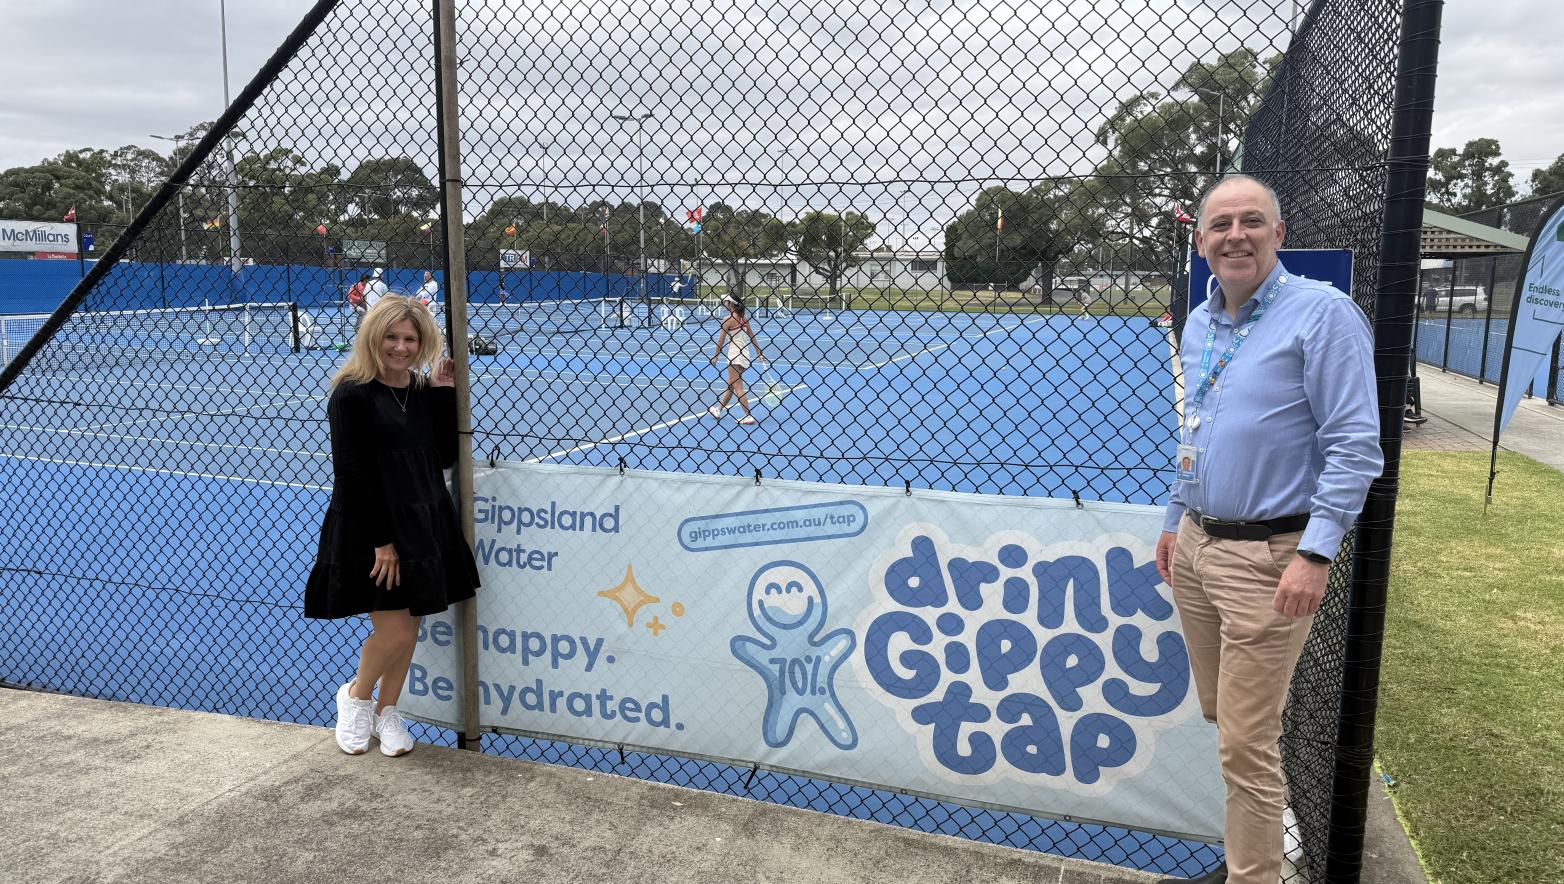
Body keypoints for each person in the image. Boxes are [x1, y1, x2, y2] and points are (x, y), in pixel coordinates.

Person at [1152, 175, 1382, 884]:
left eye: (1251, 221)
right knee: (1228, 719)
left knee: (1246, 745)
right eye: (1220, 225)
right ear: (1201, 241)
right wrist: (1176, 519)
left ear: (1278, 234)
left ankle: (1253, 875)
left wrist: (1315, 553)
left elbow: (1355, 447)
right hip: (1197, 546)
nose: (1235, 236)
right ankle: (1251, 853)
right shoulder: (1200, 321)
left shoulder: (1323, 314)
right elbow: (1197, 430)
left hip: (1269, 556)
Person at [305, 295, 480, 758]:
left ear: (422, 343)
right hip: (373, 527)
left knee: (411, 625)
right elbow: (352, 473)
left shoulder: (420, 390)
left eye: (410, 339)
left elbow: (444, 456)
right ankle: (356, 698)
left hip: (422, 521)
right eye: (391, 337)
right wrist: (382, 543)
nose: (401, 347)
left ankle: (388, 712)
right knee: (396, 631)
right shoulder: (351, 393)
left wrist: (441, 394)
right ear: (373, 338)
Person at [708, 293, 768, 425]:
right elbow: (752, 337)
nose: (725, 303)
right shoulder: (744, 319)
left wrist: (715, 356)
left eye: (726, 301)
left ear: (731, 304)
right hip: (745, 356)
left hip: (734, 356)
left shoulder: (727, 319)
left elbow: (721, 340)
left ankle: (748, 416)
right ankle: (718, 410)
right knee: (731, 385)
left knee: (738, 387)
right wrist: (760, 353)